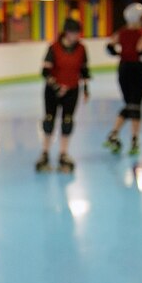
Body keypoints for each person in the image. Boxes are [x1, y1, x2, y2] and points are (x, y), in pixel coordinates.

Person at [35, 18, 91, 173]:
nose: (76, 36)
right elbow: (45, 72)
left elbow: (84, 70)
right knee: (49, 121)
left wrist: (86, 89)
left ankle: (63, 154)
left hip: (72, 90)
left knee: (67, 122)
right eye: (73, 33)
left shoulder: (81, 48)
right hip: (53, 90)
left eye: (78, 33)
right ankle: (45, 153)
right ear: (66, 33)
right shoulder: (54, 48)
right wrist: (56, 87)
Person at [103, 2, 142, 155]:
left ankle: (114, 134)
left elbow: (110, 47)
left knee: (129, 104)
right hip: (138, 70)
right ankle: (134, 140)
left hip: (124, 69)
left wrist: (122, 54)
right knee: (135, 105)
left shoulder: (121, 33)